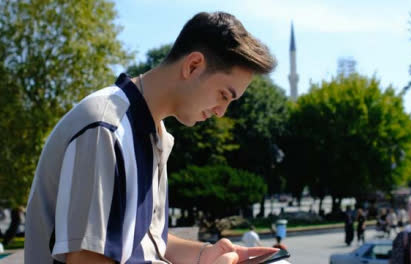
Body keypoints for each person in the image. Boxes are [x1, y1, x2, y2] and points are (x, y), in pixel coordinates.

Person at [25, 11, 279, 264]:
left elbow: (149, 242)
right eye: (224, 95)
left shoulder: (156, 135)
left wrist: (206, 255)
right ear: (193, 66)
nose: (221, 112)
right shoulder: (106, 127)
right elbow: (87, 259)